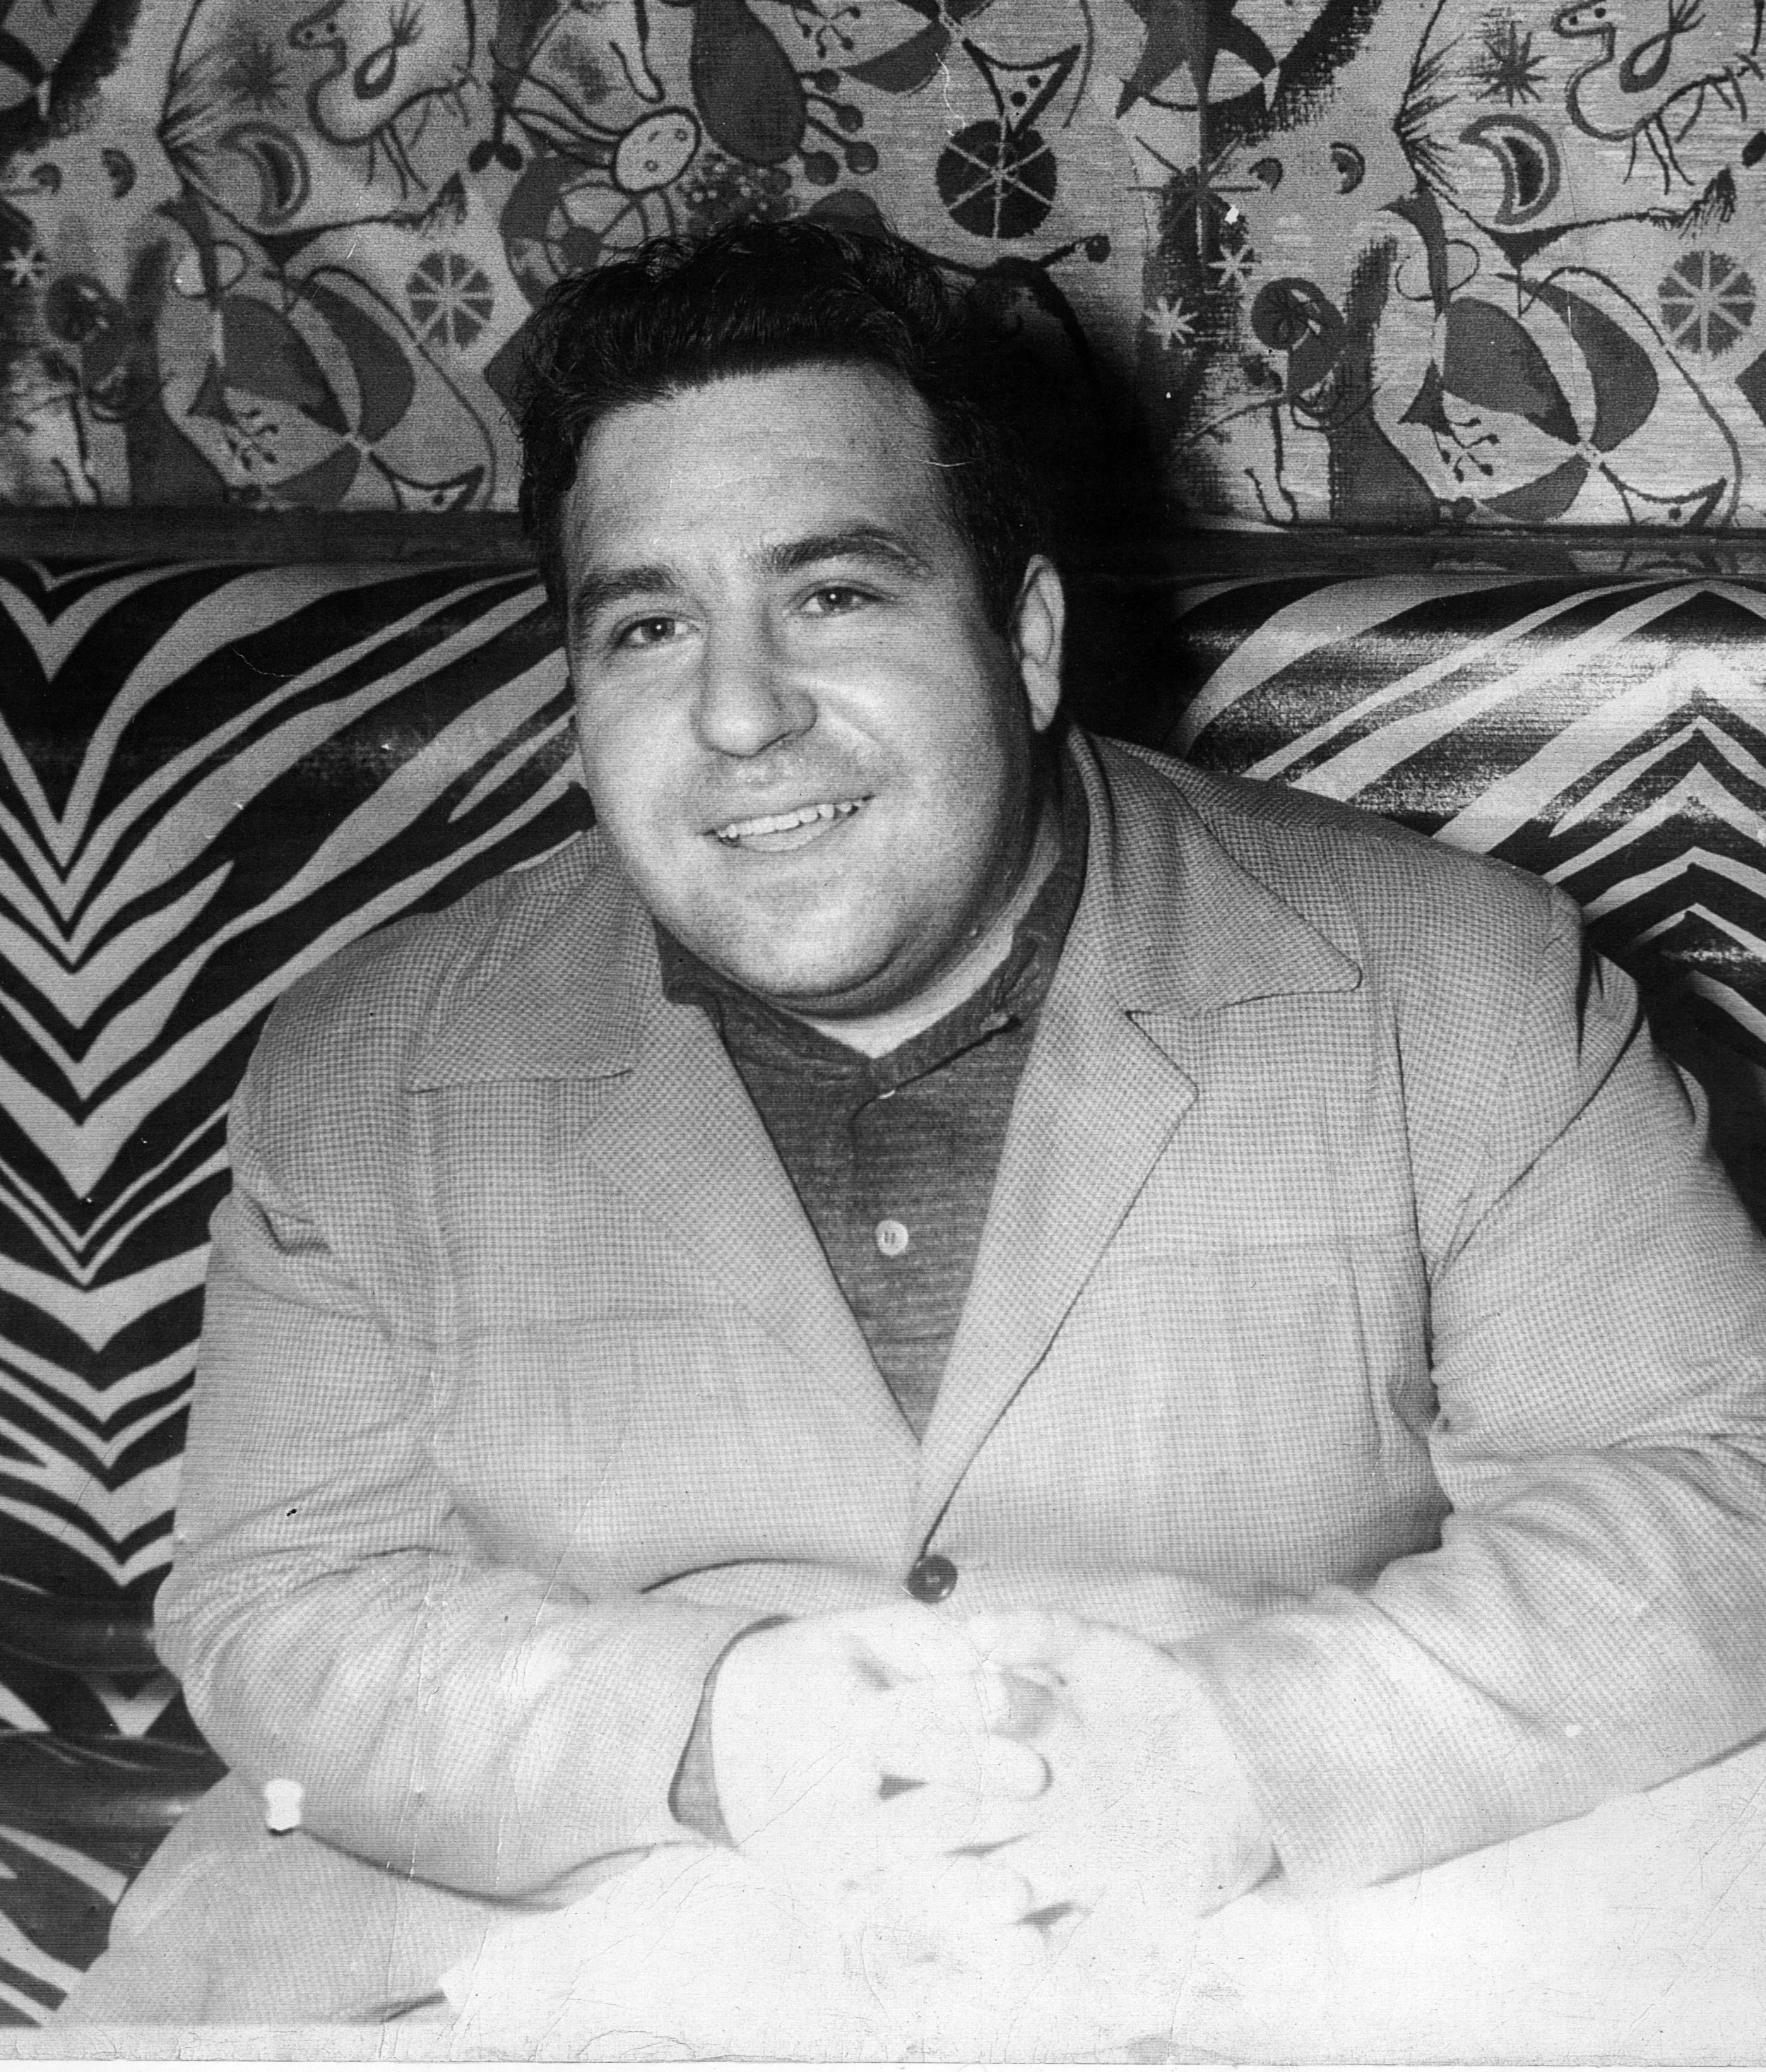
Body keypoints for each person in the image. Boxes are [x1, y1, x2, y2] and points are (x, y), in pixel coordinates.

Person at [57, 222, 1766, 2029]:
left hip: (1296, 1928)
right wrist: (717, 1735)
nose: (738, 714)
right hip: (561, 1940)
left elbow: (1718, 1483)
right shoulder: (367, 1058)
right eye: (646, 626)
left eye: (833, 594)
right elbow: (274, 1602)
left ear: (1021, 639)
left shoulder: (1447, 978)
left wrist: (1226, 1750)